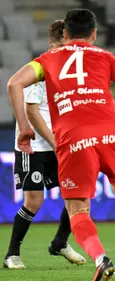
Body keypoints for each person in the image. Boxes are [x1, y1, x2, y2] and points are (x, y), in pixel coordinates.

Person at [8, 9, 115, 281]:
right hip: (112, 133)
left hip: (73, 138)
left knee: (77, 209)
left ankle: (101, 259)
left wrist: (24, 128)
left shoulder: (45, 61)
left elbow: (14, 84)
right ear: (94, 35)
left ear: (65, 35)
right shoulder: (106, 57)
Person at [3, 20, 86, 270]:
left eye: (70, 44)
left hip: (61, 143)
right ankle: (12, 255)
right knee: (34, 201)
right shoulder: (39, 70)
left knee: (80, 196)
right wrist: (54, 140)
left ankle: (60, 242)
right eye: (63, 44)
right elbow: (32, 113)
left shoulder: (70, 70)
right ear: (52, 43)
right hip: (37, 146)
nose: (67, 49)